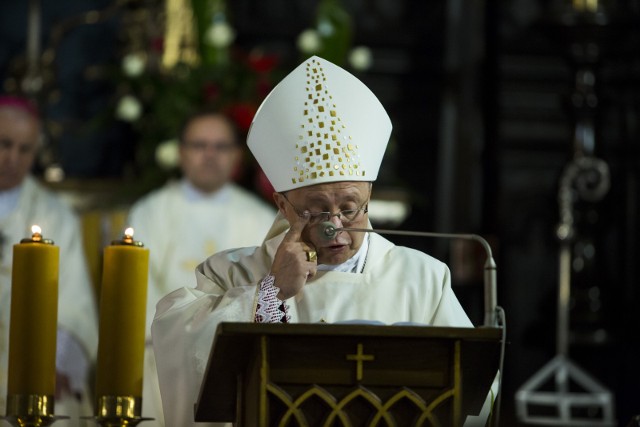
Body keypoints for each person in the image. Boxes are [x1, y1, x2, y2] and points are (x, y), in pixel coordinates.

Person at [151, 56, 488, 426]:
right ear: (283, 204)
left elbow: (477, 399)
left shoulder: (423, 278)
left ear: (369, 195)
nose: (337, 229)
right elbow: (176, 339)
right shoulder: (231, 273)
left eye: (350, 208)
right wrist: (269, 293)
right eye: (316, 211)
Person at [126, 110, 276, 425]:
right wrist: (180, 335)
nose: (210, 155)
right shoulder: (150, 213)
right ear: (181, 152)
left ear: (236, 155)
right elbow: (134, 289)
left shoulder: (261, 219)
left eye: (221, 147)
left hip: (234, 357)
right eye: (199, 145)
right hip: (161, 353)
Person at [0, 96, 98, 425]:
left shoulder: (55, 216)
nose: (12, 158)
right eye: (4, 144)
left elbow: (75, 303)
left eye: (25, 149)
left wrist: (52, 365)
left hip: (36, 368)